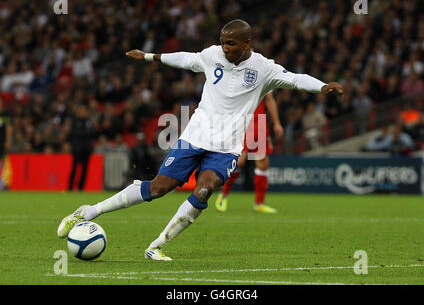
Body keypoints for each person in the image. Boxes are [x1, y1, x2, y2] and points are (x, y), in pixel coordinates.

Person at [57, 19, 343, 261]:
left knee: (205, 188)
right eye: (222, 42)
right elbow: (186, 59)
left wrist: (322, 87)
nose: (224, 47)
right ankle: (87, 212)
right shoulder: (213, 55)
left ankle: (156, 246)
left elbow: (294, 79)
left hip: (226, 149)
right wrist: (149, 56)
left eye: (231, 43)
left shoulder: (264, 68)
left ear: (247, 43)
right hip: (194, 137)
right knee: (158, 188)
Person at [215, 92, 284, 214]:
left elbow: (269, 99)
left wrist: (276, 123)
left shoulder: (265, 74)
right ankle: (223, 194)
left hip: (260, 123)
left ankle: (259, 203)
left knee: (263, 163)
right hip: (242, 121)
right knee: (239, 161)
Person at [68, 102, 97, 191]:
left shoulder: (88, 121)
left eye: (85, 110)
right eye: (81, 110)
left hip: (86, 149)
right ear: (78, 111)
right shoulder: (75, 121)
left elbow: (93, 133)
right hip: (77, 148)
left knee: (85, 169)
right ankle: (70, 187)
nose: (83, 112)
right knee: (74, 168)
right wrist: (85, 133)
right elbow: (73, 133)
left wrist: (83, 133)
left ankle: (81, 187)